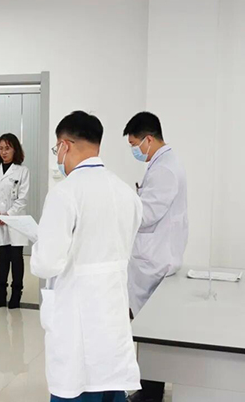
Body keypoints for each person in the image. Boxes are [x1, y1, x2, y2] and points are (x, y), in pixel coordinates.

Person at [31, 111, 143, 402]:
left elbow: (46, 263)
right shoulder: (126, 193)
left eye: (57, 149)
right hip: (113, 316)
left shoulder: (65, 193)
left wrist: (39, 243)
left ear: (65, 145)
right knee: (110, 386)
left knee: (77, 385)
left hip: (76, 320)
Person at [124, 112, 188, 402]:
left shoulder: (165, 169)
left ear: (148, 139)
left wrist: (124, 205)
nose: (134, 150)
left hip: (155, 261)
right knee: (150, 333)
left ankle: (149, 394)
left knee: (151, 333)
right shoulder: (163, 163)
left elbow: (147, 214)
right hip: (155, 257)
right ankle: (149, 390)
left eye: (134, 144)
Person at [0, 133, 30, 309]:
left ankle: (16, 292)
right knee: (2, 257)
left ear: (15, 150)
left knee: (16, 257)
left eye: (7, 148)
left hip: (15, 220)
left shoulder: (22, 171)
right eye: (1, 148)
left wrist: (8, 214)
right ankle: (1, 292)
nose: (3, 152)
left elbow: (23, 198)